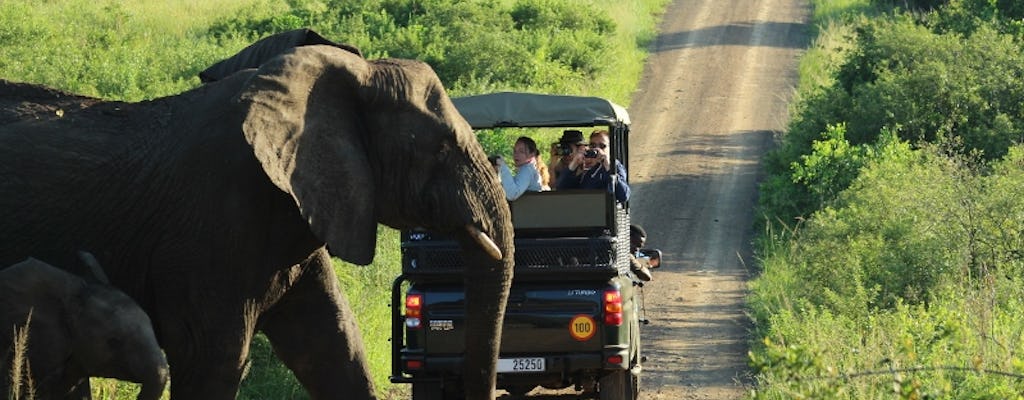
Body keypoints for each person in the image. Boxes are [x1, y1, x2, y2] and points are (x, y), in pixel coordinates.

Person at [555, 130, 630, 203]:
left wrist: (608, 166)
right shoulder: (587, 169)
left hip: (603, 211)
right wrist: (574, 163)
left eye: (602, 146)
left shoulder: (614, 166)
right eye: (593, 145)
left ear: (610, 149)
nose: (597, 149)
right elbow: (561, 189)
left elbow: (623, 195)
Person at [496, 136, 544, 201]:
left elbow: (512, 194)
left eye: (521, 151)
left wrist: (503, 167)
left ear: (532, 154)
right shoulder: (529, 169)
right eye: (515, 151)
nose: (516, 154)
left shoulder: (527, 170)